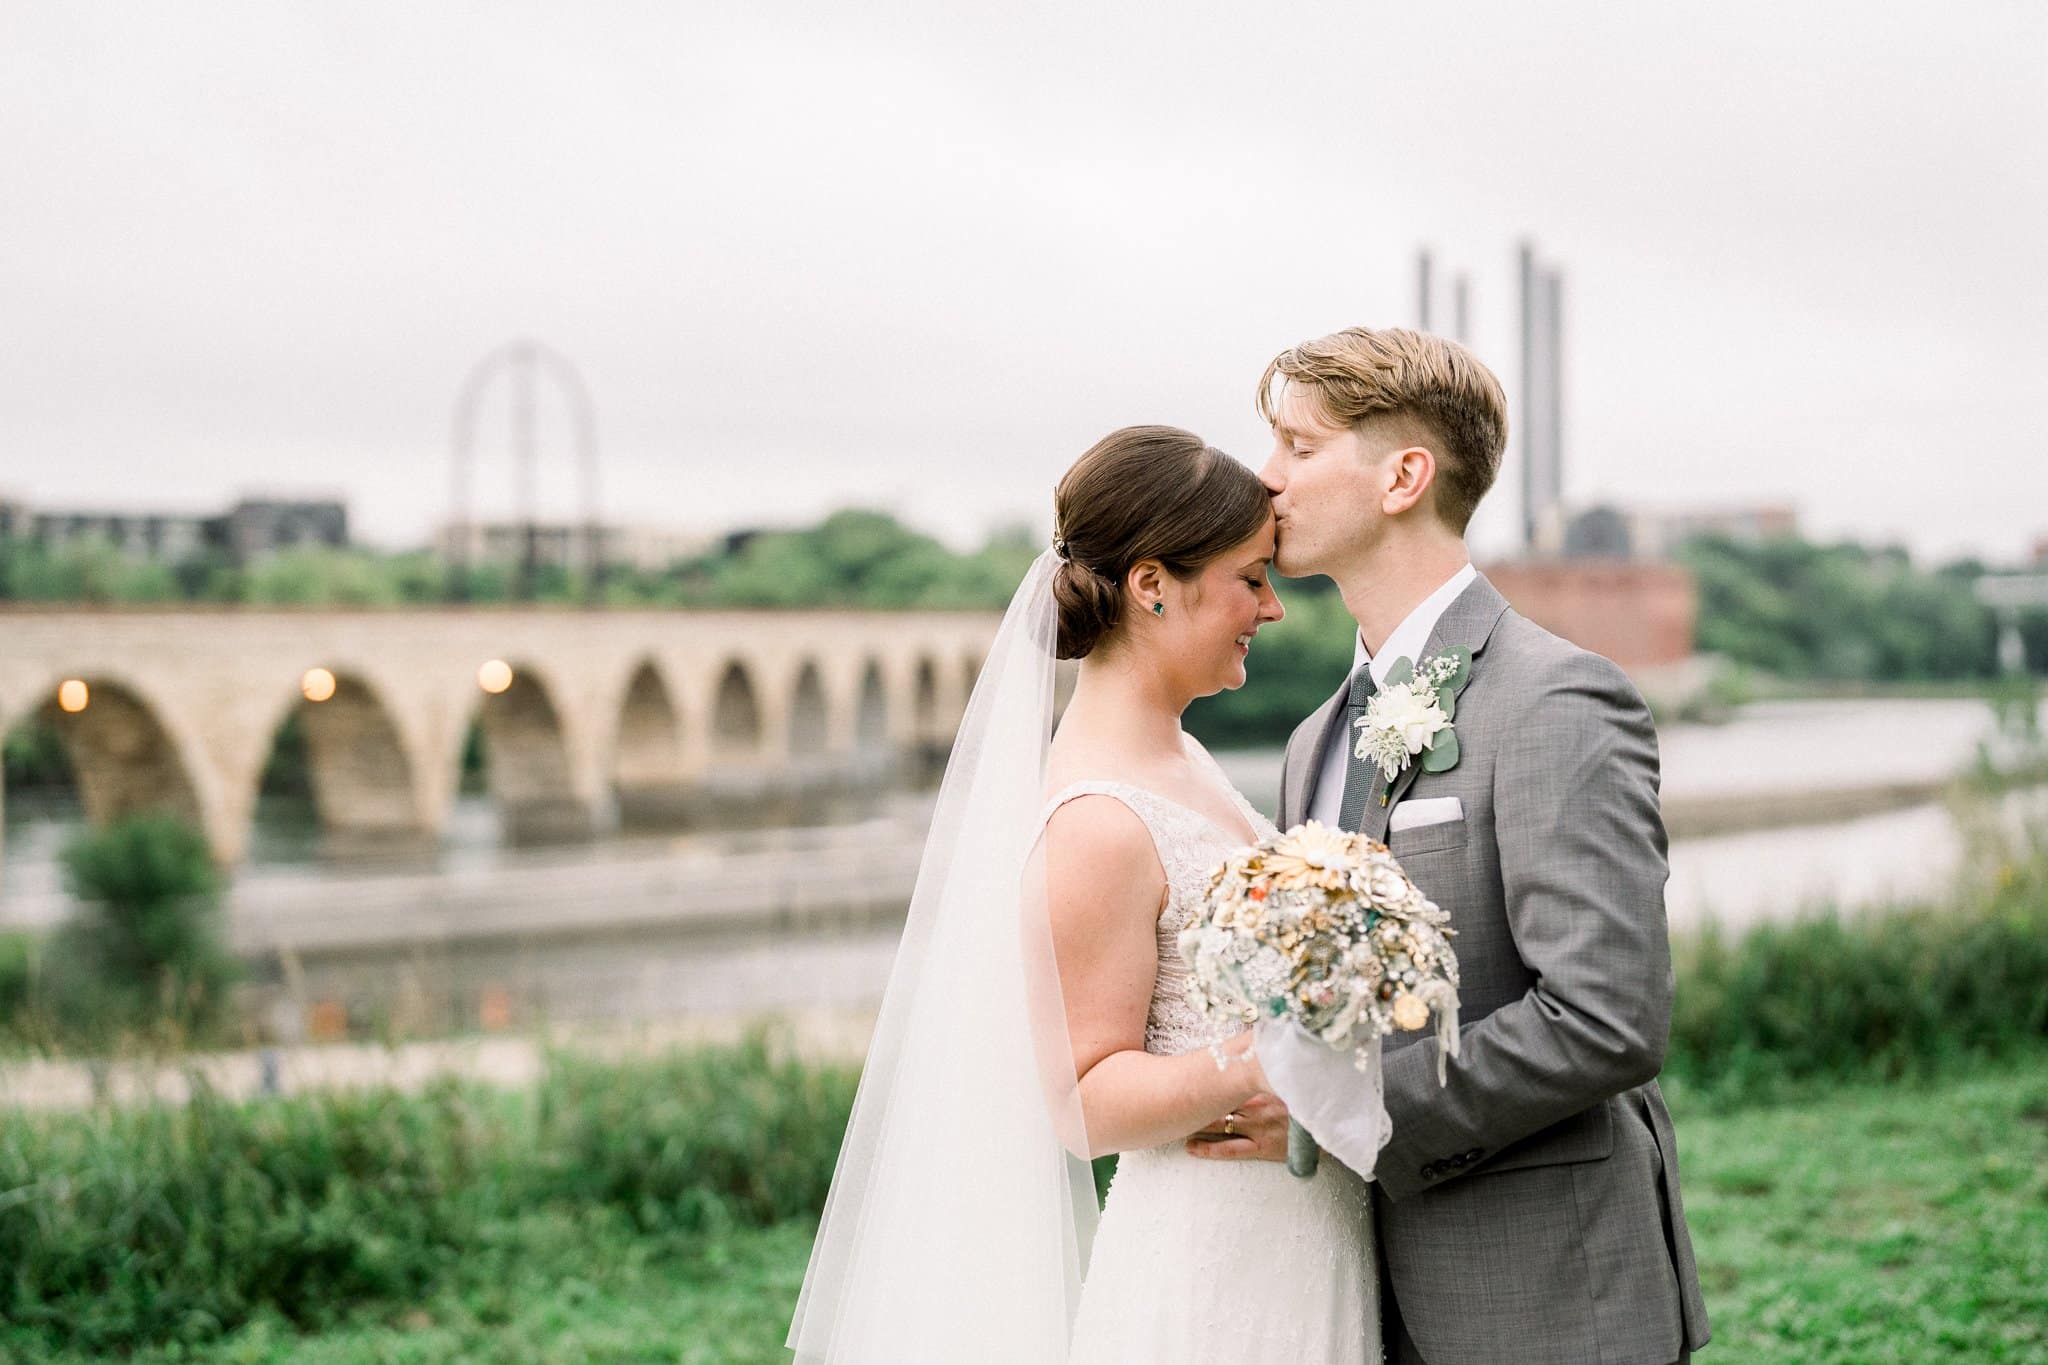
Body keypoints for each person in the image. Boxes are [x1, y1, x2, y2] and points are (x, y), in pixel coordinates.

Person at [788, 424, 1381, 1364]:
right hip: (1215, 1265)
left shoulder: (1181, 754)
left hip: (1297, 1232)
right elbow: (1082, 1097)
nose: (1269, 608)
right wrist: (1273, 1060)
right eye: (1249, 577)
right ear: (1152, 585)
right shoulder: (1097, 820)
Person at [1187, 326, 1712, 1365]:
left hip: (1542, 1296)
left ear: (1402, 477)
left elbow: (1605, 1018)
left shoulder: (1555, 699)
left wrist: (1345, 1109)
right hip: (1349, 1290)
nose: (1265, 478)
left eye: (1296, 447)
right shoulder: (1313, 739)